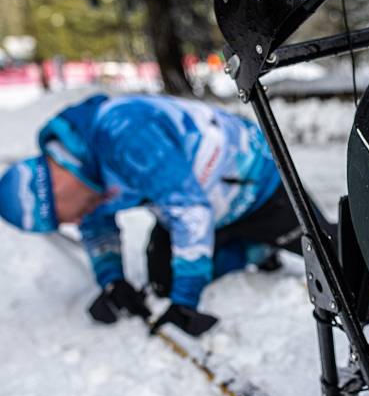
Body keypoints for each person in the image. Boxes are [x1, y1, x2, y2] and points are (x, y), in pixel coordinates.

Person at [0, 94, 333, 336]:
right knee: (164, 282)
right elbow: (96, 222)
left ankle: (264, 238)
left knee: (338, 266)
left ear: (55, 191)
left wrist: (186, 300)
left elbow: (190, 211)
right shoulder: (79, 176)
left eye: (61, 218)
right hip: (201, 207)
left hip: (257, 187)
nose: (72, 223)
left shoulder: (123, 132)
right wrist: (112, 280)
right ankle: (257, 249)